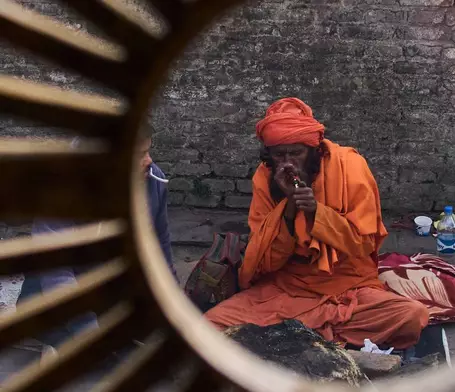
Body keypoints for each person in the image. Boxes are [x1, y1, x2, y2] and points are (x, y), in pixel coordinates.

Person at [206, 98, 429, 349]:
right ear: (269, 155)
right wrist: (289, 208)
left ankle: (295, 337)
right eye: (279, 155)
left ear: (314, 150)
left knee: (412, 316)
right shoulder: (264, 178)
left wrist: (316, 212)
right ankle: (319, 338)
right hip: (286, 290)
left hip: (347, 287)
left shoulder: (350, 166)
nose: (288, 163)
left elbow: (363, 244)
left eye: (296, 153)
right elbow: (265, 260)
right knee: (210, 325)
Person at [17, 124, 177, 356]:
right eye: (139, 155)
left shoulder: (153, 182)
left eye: (148, 152)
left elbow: (160, 241)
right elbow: (57, 273)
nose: (149, 161)